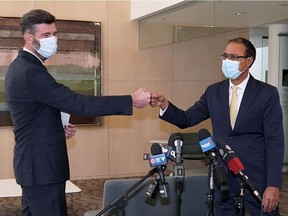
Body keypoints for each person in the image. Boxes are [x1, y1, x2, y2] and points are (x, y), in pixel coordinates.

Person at [5, 9, 151, 216]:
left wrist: (56, 127)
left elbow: (34, 114)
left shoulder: (25, 67)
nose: (53, 40)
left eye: (55, 34)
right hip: (41, 169)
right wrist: (132, 100)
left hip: (35, 168)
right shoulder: (30, 71)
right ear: (29, 38)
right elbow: (78, 103)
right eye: (46, 35)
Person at [151, 37, 284, 216]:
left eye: (234, 57)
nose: (227, 61)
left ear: (248, 61)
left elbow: (275, 141)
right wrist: (164, 105)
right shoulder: (214, 91)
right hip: (223, 176)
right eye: (225, 56)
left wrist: (273, 184)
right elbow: (187, 118)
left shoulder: (267, 94)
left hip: (256, 177)